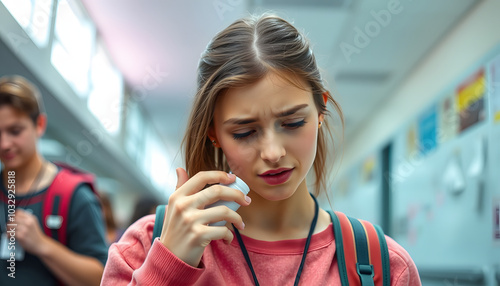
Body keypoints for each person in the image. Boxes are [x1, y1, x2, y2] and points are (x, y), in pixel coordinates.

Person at [102, 14, 421, 285]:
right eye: (244, 132)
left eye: (293, 123)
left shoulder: (383, 265)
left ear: (321, 111)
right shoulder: (145, 246)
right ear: (214, 134)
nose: (272, 152)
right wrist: (166, 267)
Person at [0, 75, 108, 285]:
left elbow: (101, 277)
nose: (4, 144)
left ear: (39, 125)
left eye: (15, 131)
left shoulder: (75, 195)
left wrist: (42, 245)